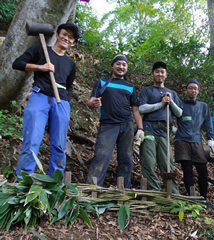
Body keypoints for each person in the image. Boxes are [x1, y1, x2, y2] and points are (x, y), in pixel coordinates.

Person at [12, 23, 80, 179]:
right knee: (32, 140)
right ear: (57, 35)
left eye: (70, 37)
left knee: (59, 145)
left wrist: (65, 100)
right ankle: (23, 181)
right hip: (39, 96)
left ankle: (55, 183)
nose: (66, 38)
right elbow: (17, 64)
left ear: (73, 43)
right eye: (64, 34)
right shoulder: (41, 50)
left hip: (61, 102)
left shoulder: (70, 63)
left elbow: (69, 85)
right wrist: (41, 67)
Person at [86, 55, 144, 188]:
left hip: (126, 125)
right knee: (102, 156)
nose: (121, 67)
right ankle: (92, 189)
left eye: (124, 65)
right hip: (108, 125)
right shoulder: (102, 82)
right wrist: (93, 103)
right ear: (113, 66)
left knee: (126, 158)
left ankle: (123, 189)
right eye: (118, 64)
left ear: (127, 68)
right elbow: (90, 101)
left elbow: (135, 109)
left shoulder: (130, 87)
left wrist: (140, 128)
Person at [138, 61, 182, 194]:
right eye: (157, 71)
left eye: (162, 72)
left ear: (166, 75)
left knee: (167, 162)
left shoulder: (171, 93)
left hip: (164, 131)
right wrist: (161, 104)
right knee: (148, 161)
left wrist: (171, 101)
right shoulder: (147, 91)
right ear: (152, 74)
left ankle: (172, 191)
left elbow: (179, 113)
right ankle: (154, 189)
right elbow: (141, 108)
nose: (159, 74)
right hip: (149, 128)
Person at [174, 78, 214, 203]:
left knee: (202, 170)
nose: (193, 90)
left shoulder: (203, 106)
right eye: (190, 88)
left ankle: (203, 198)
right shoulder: (180, 103)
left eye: (195, 88)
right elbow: (170, 113)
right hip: (181, 140)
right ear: (186, 90)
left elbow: (208, 122)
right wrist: (172, 129)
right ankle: (191, 197)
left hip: (197, 141)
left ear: (198, 91)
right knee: (187, 171)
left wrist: (210, 138)